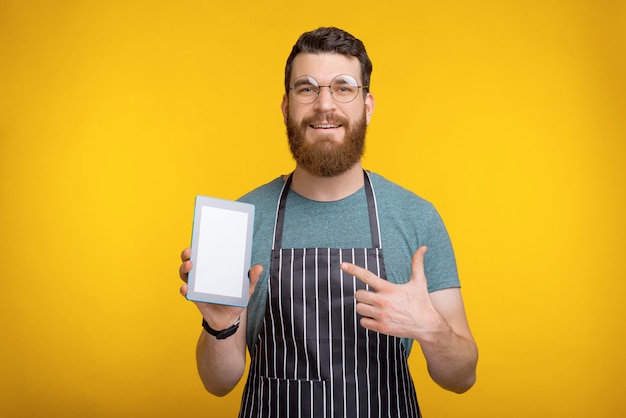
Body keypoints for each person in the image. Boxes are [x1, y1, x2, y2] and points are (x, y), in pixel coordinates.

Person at [178, 26, 478, 417]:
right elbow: (218, 384)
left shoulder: (414, 216)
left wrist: (431, 328)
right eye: (307, 88)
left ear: (367, 105)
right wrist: (220, 327)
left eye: (343, 87)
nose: (324, 104)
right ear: (286, 106)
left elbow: (462, 377)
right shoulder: (241, 220)